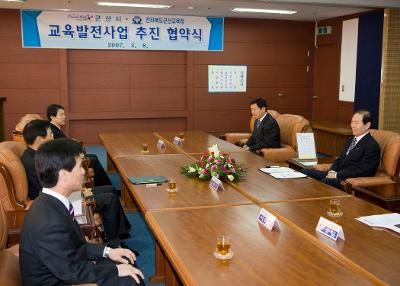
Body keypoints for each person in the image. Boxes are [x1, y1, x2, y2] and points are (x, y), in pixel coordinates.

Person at [20, 138, 144, 286]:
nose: (84, 171)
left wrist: (107, 251)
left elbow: (74, 247)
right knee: (130, 279)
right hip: (60, 280)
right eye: (79, 167)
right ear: (63, 175)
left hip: (68, 266)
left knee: (126, 260)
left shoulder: (52, 202)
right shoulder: (48, 221)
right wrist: (116, 270)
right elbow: (71, 272)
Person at [21, 119, 131, 244]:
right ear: (40, 139)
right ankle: (113, 242)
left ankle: (120, 233)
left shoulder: (35, 155)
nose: (53, 136)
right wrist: (79, 191)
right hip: (59, 197)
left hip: (61, 192)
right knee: (109, 199)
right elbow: (49, 186)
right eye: (50, 133)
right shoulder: (36, 160)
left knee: (110, 189)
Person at [301, 110, 380, 189]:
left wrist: (336, 175)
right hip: (336, 174)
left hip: (348, 180)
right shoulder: (350, 140)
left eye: (356, 123)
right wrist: (332, 171)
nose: (352, 125)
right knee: (304, 172)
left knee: (325, 182)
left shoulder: (372, 145)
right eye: (352, 122)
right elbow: (339, 159)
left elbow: (363, 171)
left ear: (367, 125)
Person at [47, 103, 113, 187]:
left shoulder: (55, 128)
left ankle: (104, 186)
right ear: (52, 117)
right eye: (61, 114)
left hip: (65, 156)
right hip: (64, 161)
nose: (64, 116)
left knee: (93, 157)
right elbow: (62, 148)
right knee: (93, 160)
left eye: (64, 114)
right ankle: (105, 186)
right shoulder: (53, 131)